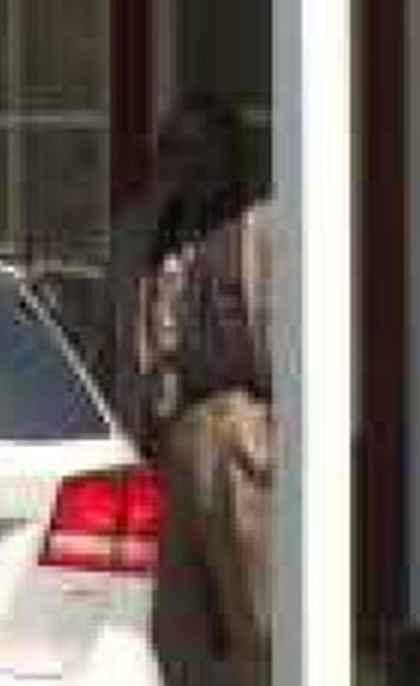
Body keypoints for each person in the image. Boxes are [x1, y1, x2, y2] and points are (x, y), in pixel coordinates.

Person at [98, 96, 272, 685]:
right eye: (171, 149)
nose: (183, 164)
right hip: (155, 439)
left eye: (197, 149)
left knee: (258, 615)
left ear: (229, 155)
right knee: (171, 627)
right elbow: (109, 343)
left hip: (235, 432)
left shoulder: (265, 226)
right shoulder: (137, 232)